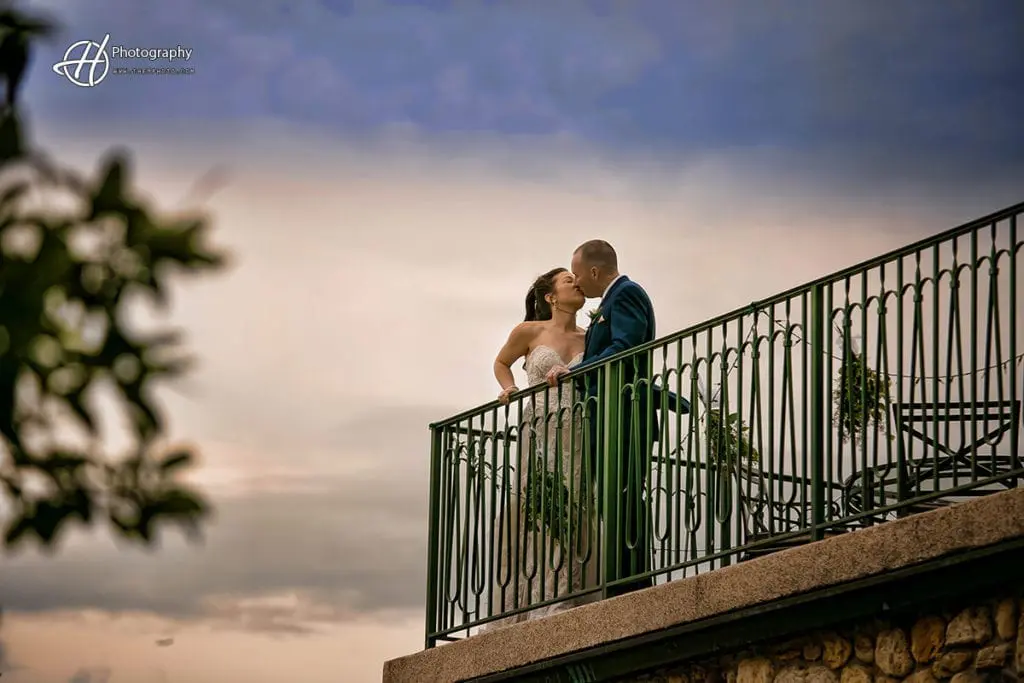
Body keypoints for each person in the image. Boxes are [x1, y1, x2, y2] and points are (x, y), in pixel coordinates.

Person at [482, 267, 600, 631]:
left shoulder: (591, 337)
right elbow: (501, 362)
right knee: (534, 506)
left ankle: (564, 593)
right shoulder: (528, 332)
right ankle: (524, 601)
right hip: (540, 427)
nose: (577, 282)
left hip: (577, 429)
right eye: (568, 280)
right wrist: (509, 387)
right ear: (551, 297)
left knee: (573, 504)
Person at [546, 239, 657, 598]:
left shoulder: (625, 294)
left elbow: (624, 346)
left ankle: (631, 584)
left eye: (577, 275)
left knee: (623, 494)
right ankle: (622, 580)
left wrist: (576, 371)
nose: (577, 283)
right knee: (613, 496)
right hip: (607, 413)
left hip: (624, 413)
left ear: (594, 271)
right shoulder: (611, 300)